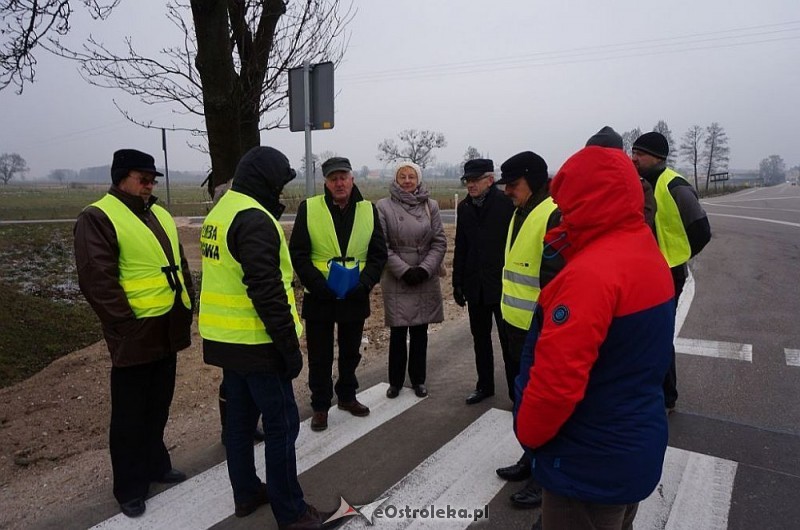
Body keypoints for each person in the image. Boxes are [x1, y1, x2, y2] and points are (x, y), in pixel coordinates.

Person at [515, 145, 676, 530]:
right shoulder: (645, 251)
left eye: (567, 204)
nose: (562, 212)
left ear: (584, 201)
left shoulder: (590, 275)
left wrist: (529, 434)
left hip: (586, 461)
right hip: (633, 443)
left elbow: (556, 383)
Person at [200, 146, 337, 528]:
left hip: (226, 340)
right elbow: (267, 292)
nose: (281, 193)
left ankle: (245, 493)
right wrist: (289, 349)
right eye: (278, 185)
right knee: (283, 426)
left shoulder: (223, 210)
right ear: (263, 181)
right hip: (258, 343)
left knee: (240, 426)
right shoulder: (254, 219)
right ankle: (292, 512)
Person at [74, 149, 193, 518]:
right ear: (121, 177)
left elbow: (178, 261)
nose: (150, 185)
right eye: (143, 179)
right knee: (129, 415)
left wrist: (188, 303)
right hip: (135, 332)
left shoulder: (157, 212)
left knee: (158, 403)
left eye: (153, 180)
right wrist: (125, 325)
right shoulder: (98, 217)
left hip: (168, 325)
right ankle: (129, 486)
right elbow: (98, 280)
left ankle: (156, 464)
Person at [289, 156, 387, 432]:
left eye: (343, 177)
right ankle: (320, 405)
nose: (339, 183)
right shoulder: (309, 209)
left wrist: (365, 283)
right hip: (320, 295)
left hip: (355, 293)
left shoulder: (368, 210)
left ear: (352, 179)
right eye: (334, 179)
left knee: (350, 351)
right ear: (326, 183)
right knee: (319, 354)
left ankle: (346, 396)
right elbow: (298, 253)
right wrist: (318, 284)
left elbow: (379, 254)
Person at [494, 151, 565, 509]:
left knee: (541, 405)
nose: (507, 190)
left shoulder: (552, 213)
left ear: (533, 181)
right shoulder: (521, 210)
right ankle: (529, 457)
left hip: (540, 332)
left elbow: (557, 280)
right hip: (514, 325)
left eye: (513, 184)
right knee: (521, 400)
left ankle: (544, 478)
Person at [632, 132, 711, 413]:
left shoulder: (675, 186)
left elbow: (701, 230)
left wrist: (678, 256)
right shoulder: (637, 184)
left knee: (660, 334)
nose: (634, 158)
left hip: (667, 273)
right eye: (634, 152)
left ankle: (667, 397)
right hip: (644, 273)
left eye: (640, 153)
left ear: (658, 158)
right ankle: (652, 390)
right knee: (646, 332)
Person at [376, 162, 446, 399]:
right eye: (402, 176)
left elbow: (439, 241)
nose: (407, 181)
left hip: (424, 275)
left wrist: (424, 269)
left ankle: (418, 380)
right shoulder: (383, 207)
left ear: (418, 179)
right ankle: (395, 382)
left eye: (411, 176)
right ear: (395, 180)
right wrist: (404, 271)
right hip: (397, 276)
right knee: (398, 332)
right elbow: (381, 246)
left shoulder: (431, 206)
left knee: (419, 331)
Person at [452, 158, 515, 405]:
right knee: (480, 339)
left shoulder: (506, 204)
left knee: (508, 342)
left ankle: (515, 392)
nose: (470, 185)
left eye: (475, 180)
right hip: (475, 286)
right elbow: (461, 246)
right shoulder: (465, 207)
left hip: (501, 286)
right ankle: (484, 385)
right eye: (467, 180)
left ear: (490, 180)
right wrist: (457, 282)